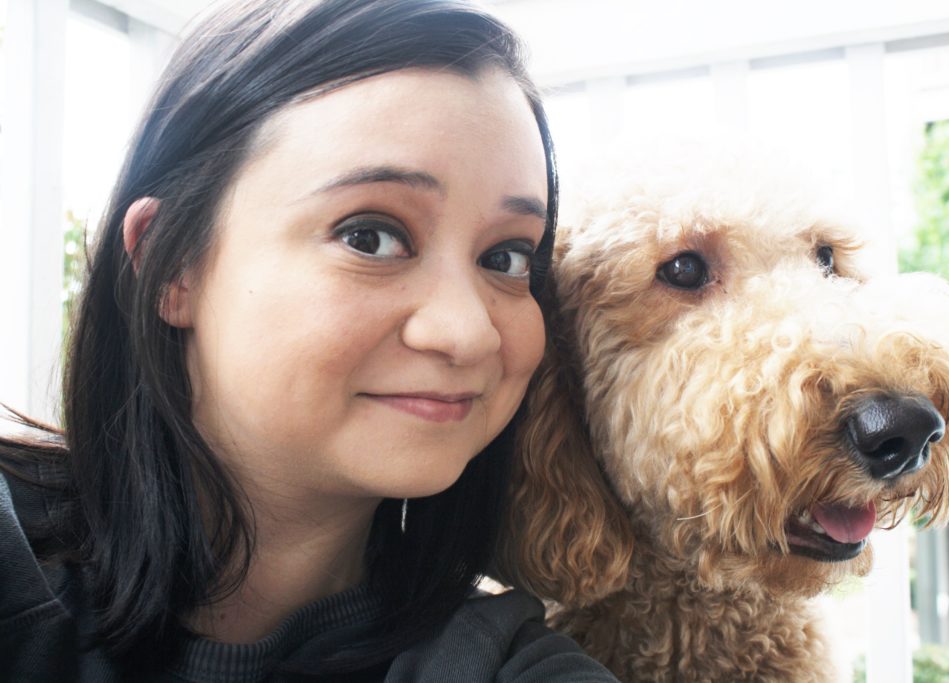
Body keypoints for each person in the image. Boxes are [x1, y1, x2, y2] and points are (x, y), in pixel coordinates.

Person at [0, 1, 619, 680]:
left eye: (505, 256)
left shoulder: (507, 662)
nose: (468, 332)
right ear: (171, 266)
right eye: (370, 235)